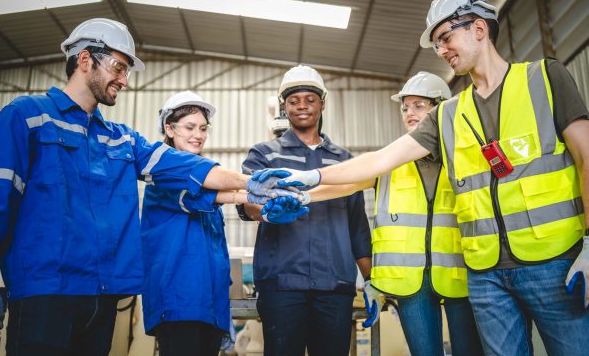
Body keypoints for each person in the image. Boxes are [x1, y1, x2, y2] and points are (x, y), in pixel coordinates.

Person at [256, 0, 589, 355]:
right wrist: (313, 179)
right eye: (436, 44)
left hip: (553, 260)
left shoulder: (544, 79)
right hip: (485, 273)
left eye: (445, 37)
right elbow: (380, 160)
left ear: (479, 28)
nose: (442, 50)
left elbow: (586, 156)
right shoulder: (449, 115)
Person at [0, 17, 292, 355]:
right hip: (44, 295)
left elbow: (186, 167)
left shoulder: (121, 139)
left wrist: (251, 183)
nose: (124, 81)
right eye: (119, 68)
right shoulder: (28, 117)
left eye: (127, 72)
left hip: (101, 298)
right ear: (85, 59)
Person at [312, 71, 482, 355]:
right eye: (405, 107)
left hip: (461, 276)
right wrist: (303, 191)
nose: (409, 114)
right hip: (410, 285)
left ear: (442, 107)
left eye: (419, 105)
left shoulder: (464, 159)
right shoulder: (389, 161)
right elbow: (344, 185)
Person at [141, 91, 298, 356]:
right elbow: (213, 193)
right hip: (179, 301)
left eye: (203, 128)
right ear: (169, 128)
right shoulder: (163, 174)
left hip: (209, 303)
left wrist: (264, 200)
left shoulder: (203, 176)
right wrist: (252, 188)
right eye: (189, 127)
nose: (198, 135)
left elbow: (216, 196)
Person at [238, 64, 372, 356]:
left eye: (309, 100)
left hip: (334, 284)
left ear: (322, 103)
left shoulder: (344, 161)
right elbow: (245, 202)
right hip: (281, 284)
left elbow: (358, 225)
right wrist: (266, 209)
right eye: (293, 100)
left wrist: (372, 281)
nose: (301, 106)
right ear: (284, 106)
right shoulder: (264, 154)